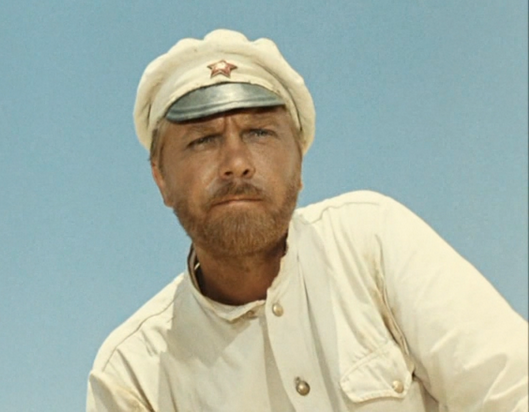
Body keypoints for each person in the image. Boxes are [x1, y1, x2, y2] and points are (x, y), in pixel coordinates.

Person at [86, 29, 528, 412]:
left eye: (259, 133)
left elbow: (512, 388)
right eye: (203, 140)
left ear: (299, 163)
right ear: (160, 178)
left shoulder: (370, 243)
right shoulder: (133, 373)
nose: (236, 163)